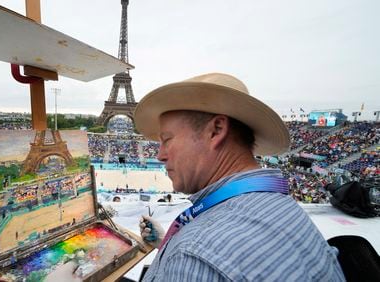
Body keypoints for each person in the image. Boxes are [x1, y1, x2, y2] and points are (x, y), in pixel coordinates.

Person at [134, 73, 344, 281]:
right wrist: (166, 244)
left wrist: (181, 251)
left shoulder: (193, 257)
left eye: (167, 139)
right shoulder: (282, 206)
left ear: (216, 131)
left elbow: (206, 260)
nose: (160, 155)